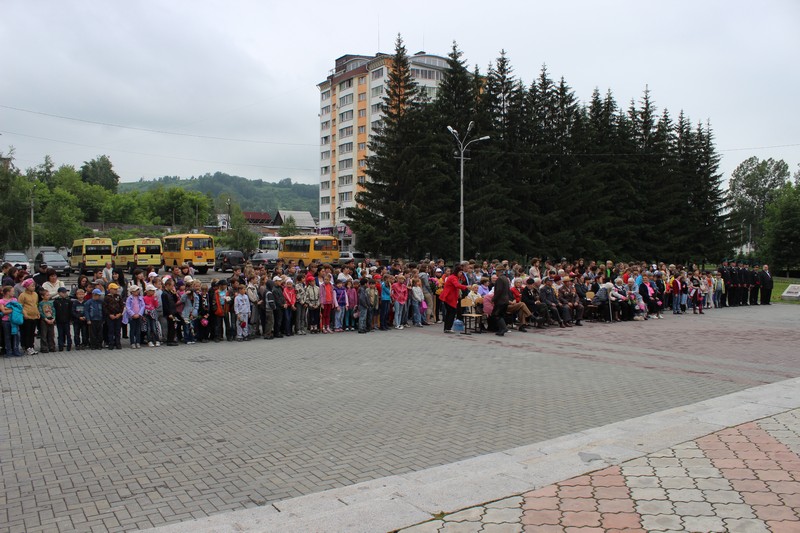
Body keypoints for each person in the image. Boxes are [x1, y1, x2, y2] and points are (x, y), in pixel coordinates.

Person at [439, 265, 469, 334]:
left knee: (450, 313)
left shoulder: (454, 277)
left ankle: (447, 328)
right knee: (451, 313)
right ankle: (448, 328)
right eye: (460, 272)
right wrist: (466, 287)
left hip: (449, 297)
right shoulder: (453, 278)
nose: (461, 274)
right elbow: (457, 285)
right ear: (457, 272)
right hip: (449, 297)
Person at [0, 286, 23, 357]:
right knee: (7, 337)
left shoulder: (14, 300)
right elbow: (3, 311)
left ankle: (16, 350)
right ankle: (8, 351)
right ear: (7, 292)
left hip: (14, 320)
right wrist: (12, 309)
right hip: (6, 321)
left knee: (16, 336)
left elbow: (19, 309)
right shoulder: (1, 301)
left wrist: (8, 308)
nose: (14, 292)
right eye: (12, 291)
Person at [104, 282, 124, 350]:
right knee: (111, 330)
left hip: (118, 315)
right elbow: (105, 307)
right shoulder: (106, 297)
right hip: (110, 316)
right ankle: (111, 343)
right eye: (114, 289)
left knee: (118, 330)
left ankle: (118, 343)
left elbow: (122, 305)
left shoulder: (118, 297)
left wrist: (120, 313)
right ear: (110, 289)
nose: (116, 290)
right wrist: (109, 314)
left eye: (116, 289)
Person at [124, 284, 145, 349]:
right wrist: (132, 314)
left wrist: (139, 314)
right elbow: (128, 307)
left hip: (138, 316)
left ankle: (138, 342)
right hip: (132, 317)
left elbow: (142, 306)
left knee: (138, 330)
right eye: (136, 291)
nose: (137, 292)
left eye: (138, 290)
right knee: (132, 330)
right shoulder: (129, 298)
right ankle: (132, 342)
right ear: (132, 291)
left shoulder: (140, 298)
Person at [53, 286, 73, 351]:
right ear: (59, 293)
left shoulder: (68, 301)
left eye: (65, 292)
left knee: (68, 333)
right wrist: (55, 319)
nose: (65, 294)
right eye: (63, 292)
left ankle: (69, 345)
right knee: (60, 333)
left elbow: (70, 310)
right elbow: (54, 311)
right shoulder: (56, 301)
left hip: (67, 320)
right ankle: (60, 346)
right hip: (59, 320)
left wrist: (70, 319)